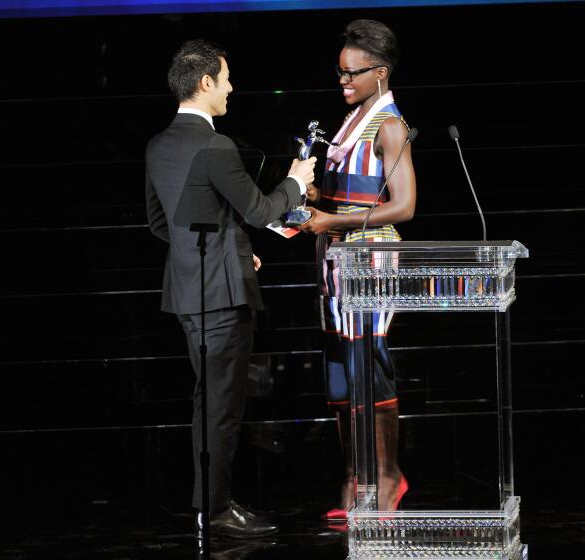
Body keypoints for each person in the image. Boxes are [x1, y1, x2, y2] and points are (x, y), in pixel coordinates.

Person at [145, 39, 316, 539]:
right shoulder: (215, 145)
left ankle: (209, 504)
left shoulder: (157, 145)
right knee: (222, 407)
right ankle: (216, 510)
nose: (231, 87)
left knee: (208, 402)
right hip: (222, 297)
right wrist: (296, 180)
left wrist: (230, 249)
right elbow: (261, 210)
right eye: (226, 78)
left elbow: (161, 222)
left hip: (187, 294)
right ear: (205, 83)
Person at [300, 19, 416, 519]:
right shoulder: (348, 124)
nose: (343, 81)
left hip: (369, 258)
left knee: (370, 365)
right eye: (340, 72)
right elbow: (341, 194)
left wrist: (334, 217)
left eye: (354, 73)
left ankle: (387, 477)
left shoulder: (389, 125)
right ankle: (356, 476)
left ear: (381, 73)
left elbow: (405, 205)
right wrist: (308, 197)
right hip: (333, 257)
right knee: (341, 372)